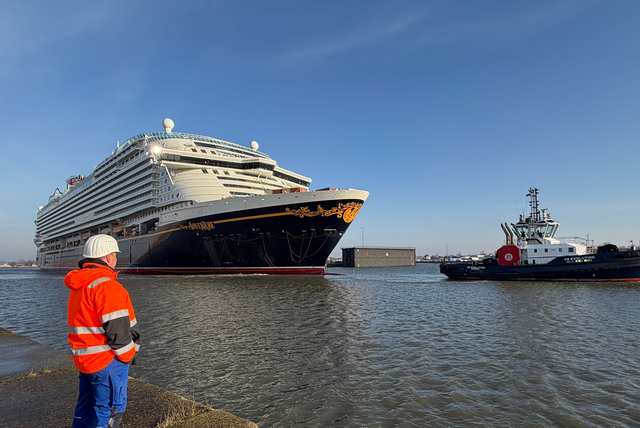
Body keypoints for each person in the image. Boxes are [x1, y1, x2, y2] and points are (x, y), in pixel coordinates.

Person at [64, 234, 141, 428]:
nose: (116, 259)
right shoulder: (107, 286)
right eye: (115, 255)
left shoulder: (80, 285)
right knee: (109, 412)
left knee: (86, 411)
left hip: (85, 359)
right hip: (107, 361)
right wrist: (129, 355)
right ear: (108, 257)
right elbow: (117, 332)